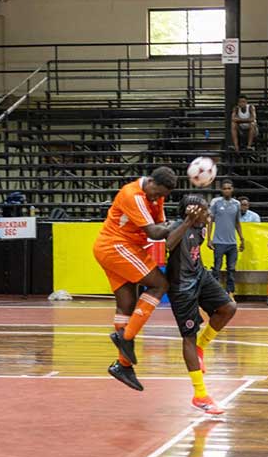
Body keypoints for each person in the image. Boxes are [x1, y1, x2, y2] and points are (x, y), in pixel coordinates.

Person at [93, 167, 178, 391]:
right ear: (149, 181)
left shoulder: (155, 196)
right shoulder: (132, 194)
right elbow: (155, 232)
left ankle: (123, 365)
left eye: (161, 196)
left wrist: (170, 226)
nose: (156, 198)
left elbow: (162, 226)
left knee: (127, 304)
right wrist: (183, 223)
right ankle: (126, 337)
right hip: (116, 246)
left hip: (115, 247)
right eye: (155, 193)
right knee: (160, 284)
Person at [165, 195, 237, 415]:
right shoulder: (178, 226)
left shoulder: (201, 229)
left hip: (200, 276)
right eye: (205, 211)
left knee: (229, 308)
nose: (209, 215)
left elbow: (194, 251)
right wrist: (187, 220)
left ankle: (201, 346)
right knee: (188, 335)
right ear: (193, 213)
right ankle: (200, 395)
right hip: (182, 287)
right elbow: (168, 244)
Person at [208, 180, 245, 298]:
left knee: (231, 269)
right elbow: (210, 221)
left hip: (232, 243)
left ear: (232, 189)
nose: (227, 190)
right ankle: (215, 293)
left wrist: (242, 239)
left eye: (229, 188)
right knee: (216, 268)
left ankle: (230, 292)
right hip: (218, 242)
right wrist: (209, 238)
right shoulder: (216, 203)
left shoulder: (236, 204)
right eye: (225, 188)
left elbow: (237, 222)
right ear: (221, 190)